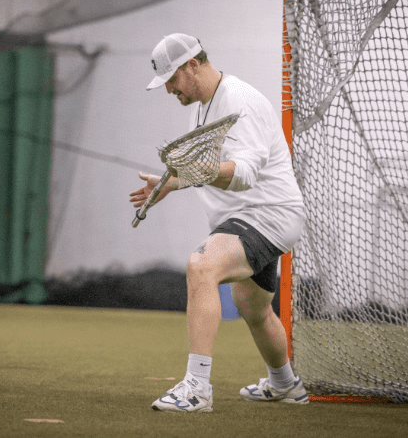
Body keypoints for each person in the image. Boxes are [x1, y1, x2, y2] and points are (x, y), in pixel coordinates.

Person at [130, 33, 308, 412]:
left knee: (202, 265)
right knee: (253, 307)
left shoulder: (239, 99)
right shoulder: (201, 106)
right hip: (249, 217)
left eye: (172, 80)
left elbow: (243, 174)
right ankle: (285, 385)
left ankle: (196, 389)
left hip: (266, 215)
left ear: (193, 65)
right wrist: (172, 185)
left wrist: (194, 169)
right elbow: (208, 170)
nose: (169, 91)